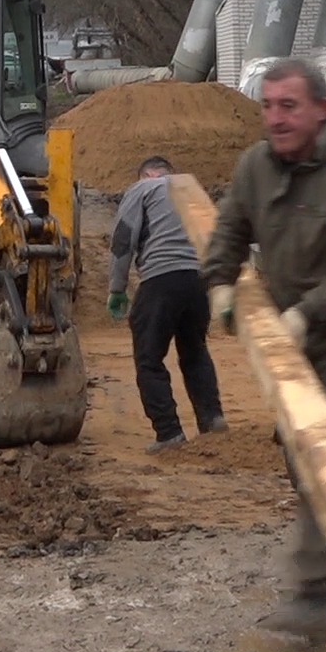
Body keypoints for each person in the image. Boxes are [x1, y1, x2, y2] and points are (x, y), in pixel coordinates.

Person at [201, 57, 326, 639]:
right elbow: (228, 230)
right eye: (267, 106)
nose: (275, 118)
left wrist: (306, 314)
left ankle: (322, 593)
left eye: (288, 106)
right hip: (295, 320)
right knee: (301, 451)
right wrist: (219, 280)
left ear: (322, 108)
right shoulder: (256, 167)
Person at [108, 155, 225, 453]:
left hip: (160, 279)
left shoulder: (143, 188)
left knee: (149, 359)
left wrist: (117, 288)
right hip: (198, 281)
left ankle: (169, 433)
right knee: (195, 351)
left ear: (147, 174)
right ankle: (212, 420)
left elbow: (123, 240)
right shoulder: (191, 190)